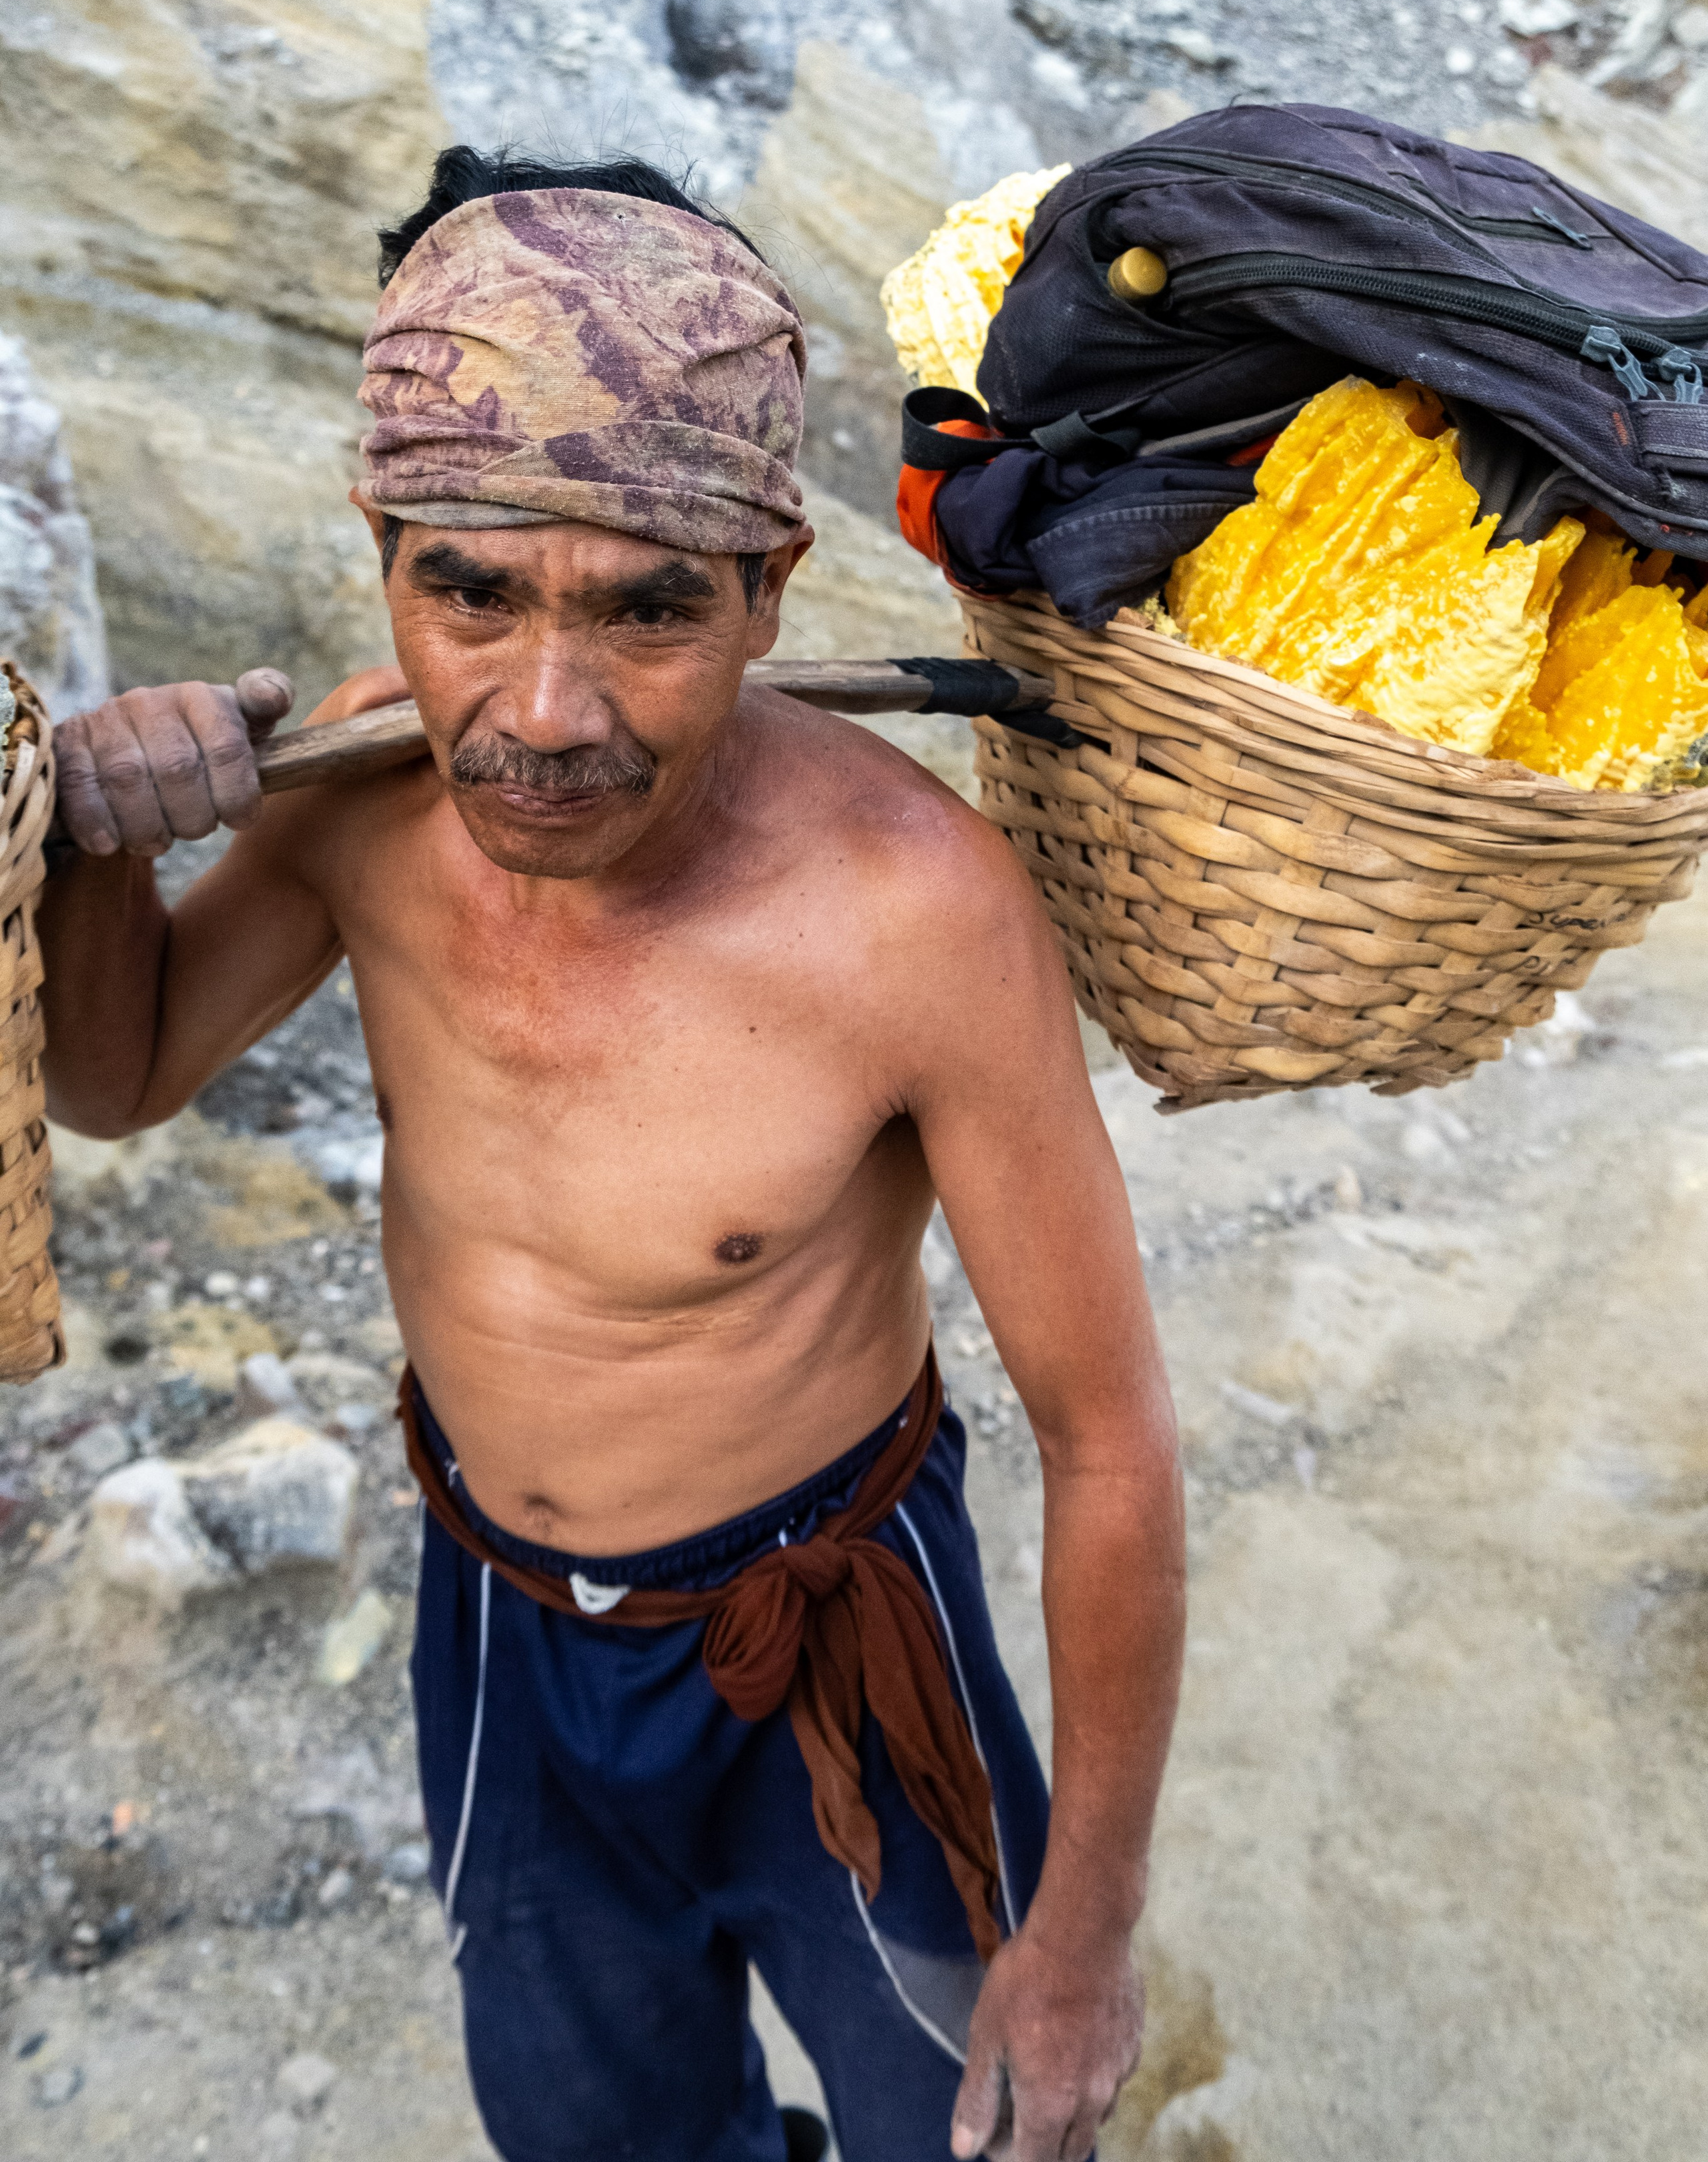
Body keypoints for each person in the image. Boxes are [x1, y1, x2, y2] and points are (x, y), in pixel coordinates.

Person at [39, 148, 1186, 2162]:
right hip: (509, 1623)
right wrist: (106, 849)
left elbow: (1109, 1443)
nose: (543, 712)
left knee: (985, 2125)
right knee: (595, 2132)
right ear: (383, 542)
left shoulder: (916, 916)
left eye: (650, 609)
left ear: (766, 590)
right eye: (467, 589)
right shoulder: (357, 795)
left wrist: (1088, 1935)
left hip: (835, 1629)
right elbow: (119, 1076)